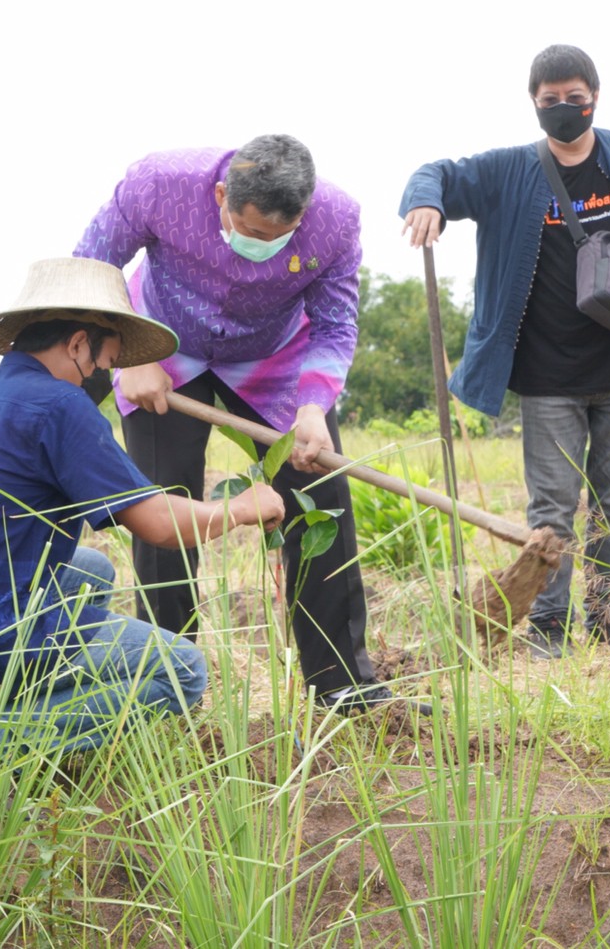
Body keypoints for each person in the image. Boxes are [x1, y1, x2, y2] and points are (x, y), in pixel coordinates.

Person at [0, 257, 284, 758]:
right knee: (181, 669)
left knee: (91, 570)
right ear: (76, 344)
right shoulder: (59, 405)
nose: (98, 379)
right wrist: (240, 508)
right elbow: (157, 524)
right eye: (102, 365)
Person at [74, 135, 424, 714]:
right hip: (163, 350)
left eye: (278, 236)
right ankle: (166, 684)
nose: (259, 247)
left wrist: (313, 406)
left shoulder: (336, 220)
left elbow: (335, 324)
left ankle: (342, 685)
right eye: (251, 230)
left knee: (320, 500)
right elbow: (89, 265)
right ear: (221, 196)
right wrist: (131, 353)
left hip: (273, 360)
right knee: (164, 501)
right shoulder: (158, 184)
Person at [400, 45, 610, 660]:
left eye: (574, 98)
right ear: (534, 103)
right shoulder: (508, 170)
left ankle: (609, 625)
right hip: (547, 376)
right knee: (551, 508)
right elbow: (437, 172)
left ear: (594, 98)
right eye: (549, 100)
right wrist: (426, 200)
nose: (562, 109)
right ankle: (548, 629)